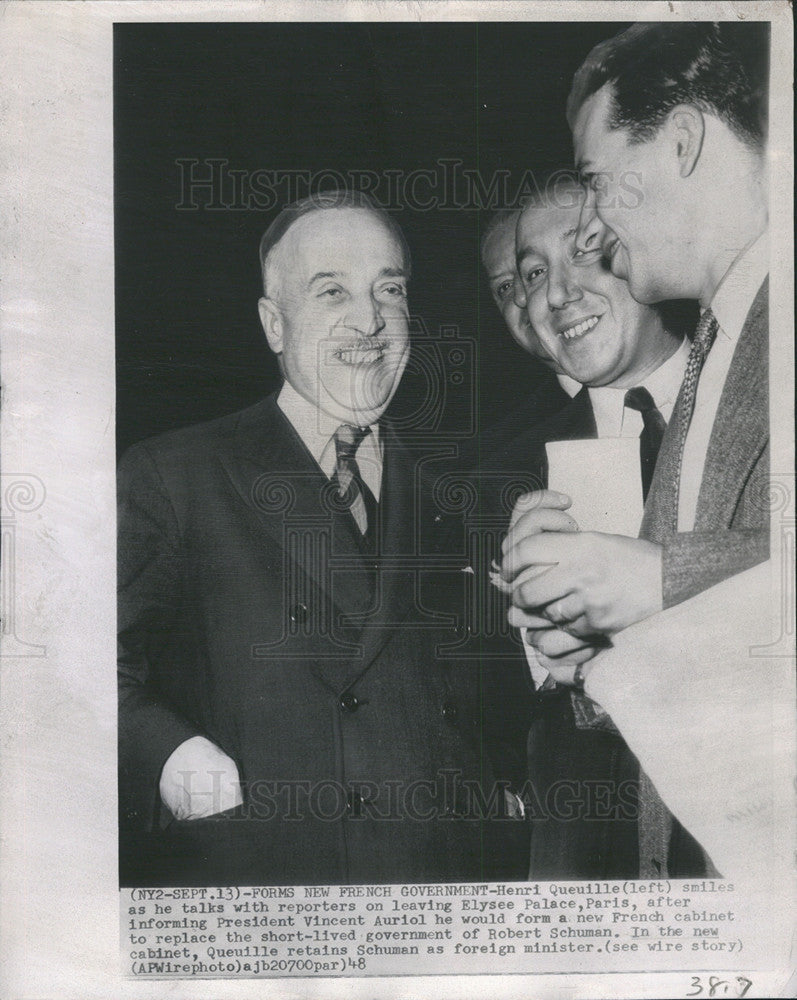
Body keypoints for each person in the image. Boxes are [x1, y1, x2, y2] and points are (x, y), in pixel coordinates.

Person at [118, 189, 522, 887]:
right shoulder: (174, 474)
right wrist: (176, 760)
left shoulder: (457, 496)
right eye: (331, 291)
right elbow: (69, 666)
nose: (368, 320)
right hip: (270, 889)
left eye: (387, 290)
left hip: (438, 896)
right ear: (274, 324)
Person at [503, 22, 769, 878]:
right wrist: (594, 655)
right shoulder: (716, 346)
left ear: (683, 142)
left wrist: (653, 580)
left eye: (594, 181)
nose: (589, 226)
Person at [485, 175, 689, 878]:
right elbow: (464, 703)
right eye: (532, 274)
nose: (553, 294)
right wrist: (546, 658)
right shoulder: (498, 479)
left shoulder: (765, 395)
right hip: (589, 861)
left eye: (586, 251)